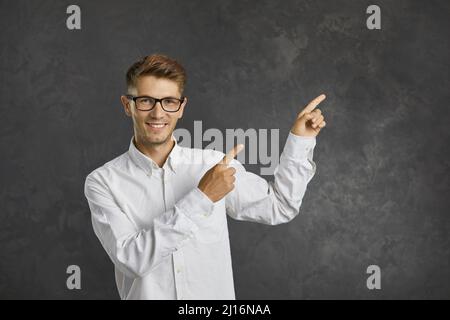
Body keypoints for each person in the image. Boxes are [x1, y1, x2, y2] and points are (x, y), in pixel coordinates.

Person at [84, 53, 327, 300]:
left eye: (169, 101)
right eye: (146, 101)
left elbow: (281, 206)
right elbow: (132, 260)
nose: (158, 113)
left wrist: (300, 140)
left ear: (181, 107)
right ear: (128, 105)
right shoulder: (102, 182)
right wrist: (202, 197)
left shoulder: (212, 164)